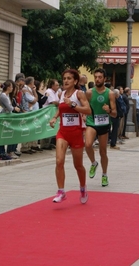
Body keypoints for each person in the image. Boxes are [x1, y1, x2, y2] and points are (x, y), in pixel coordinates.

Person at [49, 69, 91, 203]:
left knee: (78, 165)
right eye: (64, 78)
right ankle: (61, 191)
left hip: (76, 133)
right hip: (63, 133)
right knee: (59, 161)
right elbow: (60, 109)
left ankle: (83, 188)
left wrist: (72, 104)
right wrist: (55, 118)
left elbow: (88, 110)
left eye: (69, 78)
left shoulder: (79, 94)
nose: (66, 81)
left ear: (75, 81)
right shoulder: (61, 94)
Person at [85, 68, 117, 187]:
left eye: (100, 77)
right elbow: (85, 107)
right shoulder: (89, 93)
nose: (97, 79)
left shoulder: (110, 93)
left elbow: (115, 113)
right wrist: (84, 115)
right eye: (96, 77)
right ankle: (94, 163)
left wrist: (108, 110)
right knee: (88, 144)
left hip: (104, 124)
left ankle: (104, 175)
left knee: (103, 152)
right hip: (92, 122)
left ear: (104, 79)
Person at [0, 80, 21, 160]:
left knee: (6, 135)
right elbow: (9, 107)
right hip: (3, 116)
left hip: (7, 116)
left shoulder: (7, 96)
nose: (12, 88)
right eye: (11, 87)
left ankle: (3, 152)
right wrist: (14, 108)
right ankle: (0, 153)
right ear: (8, 87)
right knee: (2, 134)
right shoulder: (3, 96)